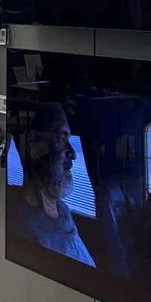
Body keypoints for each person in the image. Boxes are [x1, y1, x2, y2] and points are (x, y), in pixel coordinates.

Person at [10, 103, 96, 266]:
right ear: (32, 146)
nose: (73, 153)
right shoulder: (21, 225)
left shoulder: (62, 209)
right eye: (60, 138)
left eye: (68, 139)